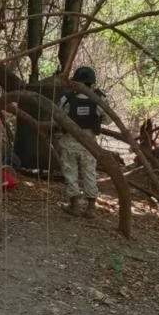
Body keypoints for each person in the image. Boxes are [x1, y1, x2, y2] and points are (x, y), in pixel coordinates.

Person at [57, 66, 108, 218]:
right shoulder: (99, 98)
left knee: (70, 172)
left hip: (69, 141)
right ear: (92, 83)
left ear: (76, 82)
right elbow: (108, 120)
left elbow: (59, 118)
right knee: (89, 172)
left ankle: (74, 205)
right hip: (89, 143)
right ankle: (91, 208)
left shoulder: (67, 98)